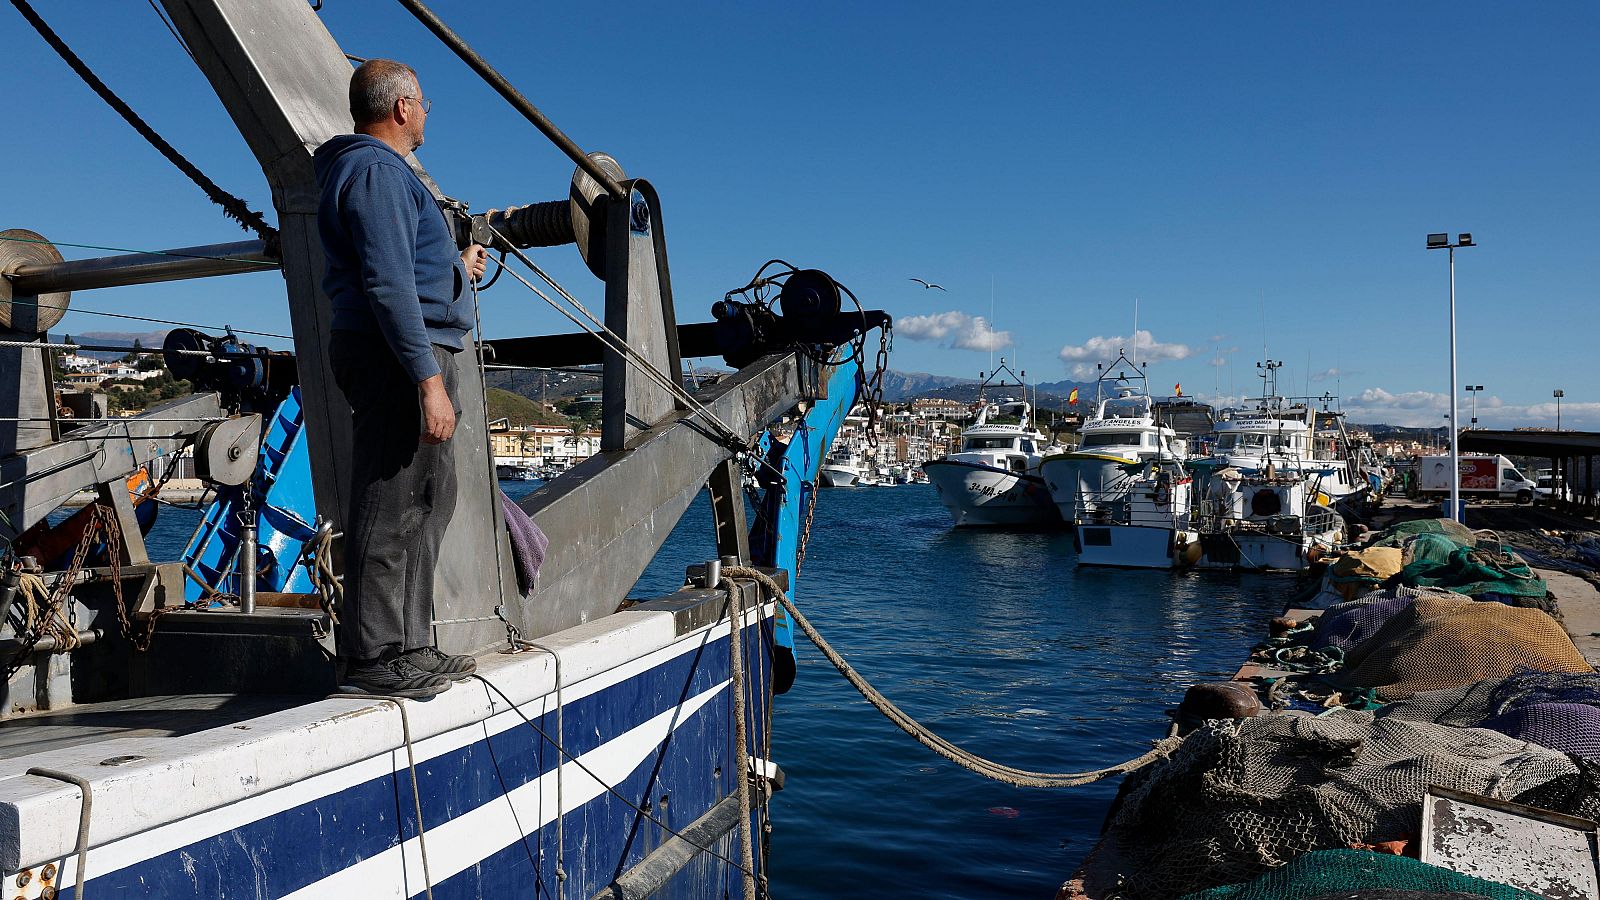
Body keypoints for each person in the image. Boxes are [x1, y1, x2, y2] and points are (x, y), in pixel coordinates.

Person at [314, 59, 489, 698]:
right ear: (402, 108)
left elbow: (405, 266)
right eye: (425, 101)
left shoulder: (377, 175)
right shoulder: (376, 171)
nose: (429, 112)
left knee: (426, 503)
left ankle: (411, 645)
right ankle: (372, 655)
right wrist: (427, 381)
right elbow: (387, 285)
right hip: (396, 357)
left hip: (409, 349)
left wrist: (453, 262)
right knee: (389, 504)